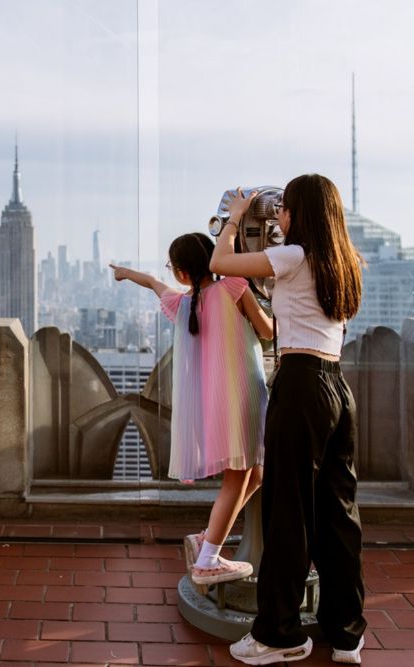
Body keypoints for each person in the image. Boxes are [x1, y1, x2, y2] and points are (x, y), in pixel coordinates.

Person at [211, 175, 366, 665]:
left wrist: (235, 218)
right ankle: (346, 633)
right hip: (337, 387)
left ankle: (279, 636)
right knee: (338, 514)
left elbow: (219, 264)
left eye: (284, 208)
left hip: (300, 385)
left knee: (288, 514)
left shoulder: (293, 256)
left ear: (300, 213)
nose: (278, 216)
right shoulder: (344, 261)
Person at [111, 232, 272, 586]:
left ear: (182, 273)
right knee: (238, 476)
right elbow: (268, 331)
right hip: (243, 398)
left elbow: (153, 283)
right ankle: (208, 560)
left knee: (257, 475)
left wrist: (124, 273)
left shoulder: (183, 305)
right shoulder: (234, 287)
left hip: (217, 406)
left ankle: (208, 538)